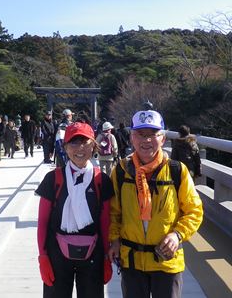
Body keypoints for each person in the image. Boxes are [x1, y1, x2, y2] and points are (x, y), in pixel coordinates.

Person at [108, 110, 204, 298]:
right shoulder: (120, 171)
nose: (146, 140)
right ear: (131, 137)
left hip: (166, 261)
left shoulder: (177, 171)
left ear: (163, 138)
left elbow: (194, 210)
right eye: (140, 134)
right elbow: (113, 212)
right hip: (132, 260)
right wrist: (114, 239)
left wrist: (178, 235)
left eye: (153, 134)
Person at [35, 122, 114, 298]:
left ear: (94, 145)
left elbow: (105, 223)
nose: (80, 148)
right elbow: (43, 222)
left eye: (85, 142)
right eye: (73, 142)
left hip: (93, 255)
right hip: (57, 255)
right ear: (65, 147)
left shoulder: (102, 180)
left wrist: (107, 258)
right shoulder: (53, 178)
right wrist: (43, 257)